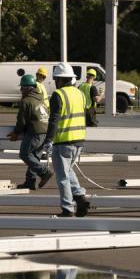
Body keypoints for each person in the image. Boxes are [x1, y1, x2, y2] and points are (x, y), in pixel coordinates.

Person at [44, 62, 89, 217]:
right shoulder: (80, 94)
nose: (56, 82)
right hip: (79, 140)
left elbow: (54, 120)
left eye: (57, 79)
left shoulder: (59, 95)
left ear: (62, 80)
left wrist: (48, 140)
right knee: (68, 171)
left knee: (62, 176)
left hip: (63, 141)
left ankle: (67, 208)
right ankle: (80, 197)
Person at [7, 74, 53, 190]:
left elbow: (21, 121)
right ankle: (30, 182)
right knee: (34, 157)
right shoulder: (40, 100)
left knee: (25, 154)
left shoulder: (26, 101)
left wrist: (16, 133)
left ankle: (44, 172)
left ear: (28, 88)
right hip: (45, 132)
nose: (21, 90)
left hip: (34, 132)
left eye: (22, 87)